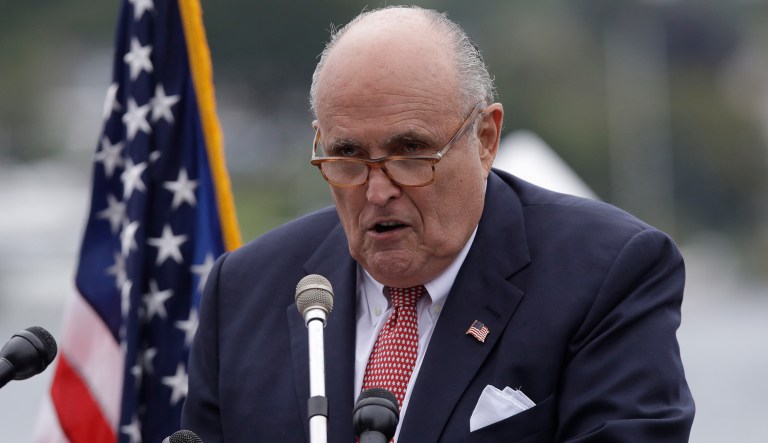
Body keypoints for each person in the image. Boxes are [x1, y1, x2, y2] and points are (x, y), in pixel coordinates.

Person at [182, 6, 694, 442]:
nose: (378, 190)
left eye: (410, 153)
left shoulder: (606, 273)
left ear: (486, 138)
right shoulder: (244, 290)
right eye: (348, 156)